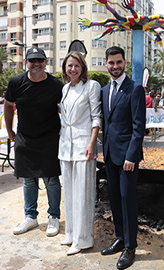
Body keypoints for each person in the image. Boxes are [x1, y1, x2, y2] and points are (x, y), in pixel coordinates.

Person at [4, 47, 63, 237]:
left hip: (49, 138)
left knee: (51, 180)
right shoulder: (16, 82)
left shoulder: (56, 85)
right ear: (26, 62)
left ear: (46, 62)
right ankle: (30, 217)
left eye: (40, 60)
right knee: (28, 180)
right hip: (25, 138)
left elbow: (68, 110)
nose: (36, 63)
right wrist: (9, 130)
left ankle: (53, 216)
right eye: (32, 60)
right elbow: (8, 104)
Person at [101, 46, 146, 269]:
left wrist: (132, 155)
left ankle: (130, 246)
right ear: (106, 64)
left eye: (119, 62)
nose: (115, 66)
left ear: (124, 63)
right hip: (109, 155)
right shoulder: (104, 90)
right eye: (111, 63)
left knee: (128, 200)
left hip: (127, 158)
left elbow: (139, 128)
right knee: (115, 200)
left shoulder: (135, 89)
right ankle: (119, 238)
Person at [58, 51, 102, 255]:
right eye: (69, 66)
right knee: (69, 192)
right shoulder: (65, 88)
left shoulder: (92, 86)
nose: (73, 69)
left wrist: (92, 144)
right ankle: (71, 234)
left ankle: (83, 239)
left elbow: (96, 117)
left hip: (84, 145)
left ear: (82, 67)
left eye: (76, 65)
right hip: (65, 146)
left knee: (83, 193)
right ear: (65, 69)